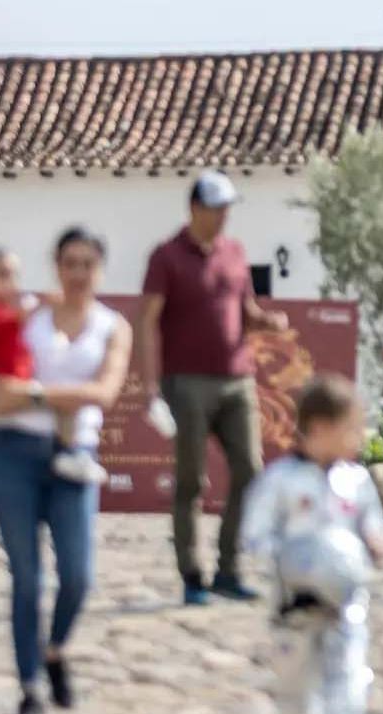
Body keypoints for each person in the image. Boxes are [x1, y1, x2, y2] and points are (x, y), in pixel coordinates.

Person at [0, 228, 131, 714]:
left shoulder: (112, 326)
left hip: (74, 455)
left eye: (87, 264)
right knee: (27, 576)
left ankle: (55, 649)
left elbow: (104, 393)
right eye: (69, 263)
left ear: (100, 269)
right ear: (56, 266)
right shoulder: (28, 315)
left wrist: (32, 394)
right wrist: (41, 398)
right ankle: (30, 686)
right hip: (11, 452)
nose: (78, 273)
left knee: (79, 576)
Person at [240, 374, 383, 714]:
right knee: (300, 707)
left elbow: (372, 523)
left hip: (346, 607)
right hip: (294, 611)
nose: (358, 438)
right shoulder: (280, 481)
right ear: (320, 428)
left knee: (347, 699)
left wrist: (375, 543)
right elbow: (254, 535)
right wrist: (289, 561)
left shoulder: (356, 480)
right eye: (351, 428)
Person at [137, 170, 289, 606]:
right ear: (195, 208)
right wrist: (152, 386)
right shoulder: (166, 257)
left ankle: (229, 568)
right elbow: (147, 321)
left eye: (227, 208)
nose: (224, 216)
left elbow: (244, 309)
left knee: (250, 471)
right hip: (186, 382)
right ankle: (192, 574)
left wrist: (267, 322)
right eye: (217, 208)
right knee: (191, 481)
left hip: (237, 378)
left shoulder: (235, 252)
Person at [0, 246, 109, 486]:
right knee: (61, 404)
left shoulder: (9, 311)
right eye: (3, 275)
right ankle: (70, 454)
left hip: (23, 381)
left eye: (14, 275)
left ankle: (71, 453)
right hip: (6, 385)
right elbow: (10, 322)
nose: (13, 283)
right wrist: (42, 306)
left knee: (65, 405)